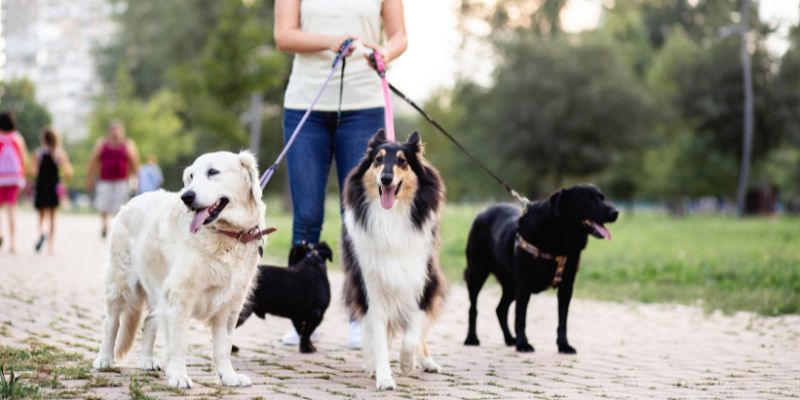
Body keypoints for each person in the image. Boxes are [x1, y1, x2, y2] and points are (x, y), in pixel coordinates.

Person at [274, 0, 408, 349]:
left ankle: (359, 316)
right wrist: (330, 41)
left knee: (359, 216)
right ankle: (303, 318)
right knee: (306, 216)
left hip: (364, 107)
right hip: (306, 103)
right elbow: (283, 35)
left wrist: (385, 52)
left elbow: (399, 36)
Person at [86, 121, 139, 238]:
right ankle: (104, 225)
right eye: (113, 130)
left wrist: (135, 179)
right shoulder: (102, 144)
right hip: (104, 180)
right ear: (109, 132)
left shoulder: (128, 144)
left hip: (122, 181)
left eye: (118, 130)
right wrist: (90, 178)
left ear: (122, 132)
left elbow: (134, 163)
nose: (115, 133)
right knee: (103, 205)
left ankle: (117, 225)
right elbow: (93, 161)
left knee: (120, 206)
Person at [32, 128, 73, 254]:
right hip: (53, 186)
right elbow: (69, 172)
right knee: (53, 216)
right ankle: (50, 245)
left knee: (41, 214)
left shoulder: (38, 153)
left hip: (41, 186)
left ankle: (42, 232)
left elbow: (33, 171)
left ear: (43, 139)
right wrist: (64, 179)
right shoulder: (59, 153)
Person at [0, 112, 29, 254]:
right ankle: (13, 243)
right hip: (14, 178)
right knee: (11, 210)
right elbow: (23, 158)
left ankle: (0, 234)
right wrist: (23, 175)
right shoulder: (17, 138)